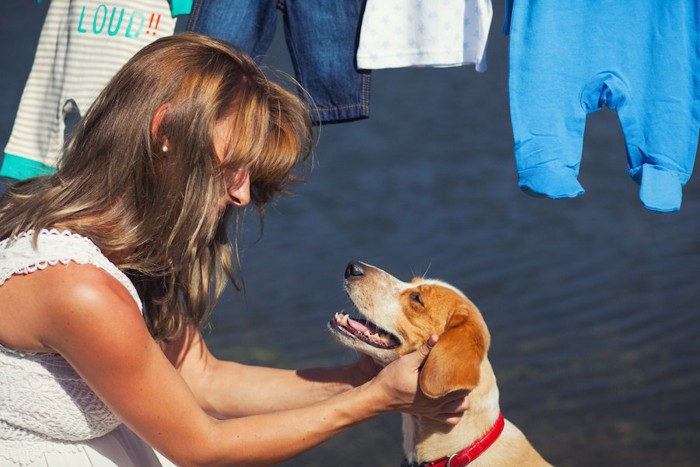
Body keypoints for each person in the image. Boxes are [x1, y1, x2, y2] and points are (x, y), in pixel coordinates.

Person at [0, 33, 468, 466]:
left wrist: (361, 378)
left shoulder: (131, 253)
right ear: (166, 133)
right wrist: (376, 400)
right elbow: (201, 446)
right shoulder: (77, 287)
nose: (242, 195)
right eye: (236, 165)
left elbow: (205, 378)